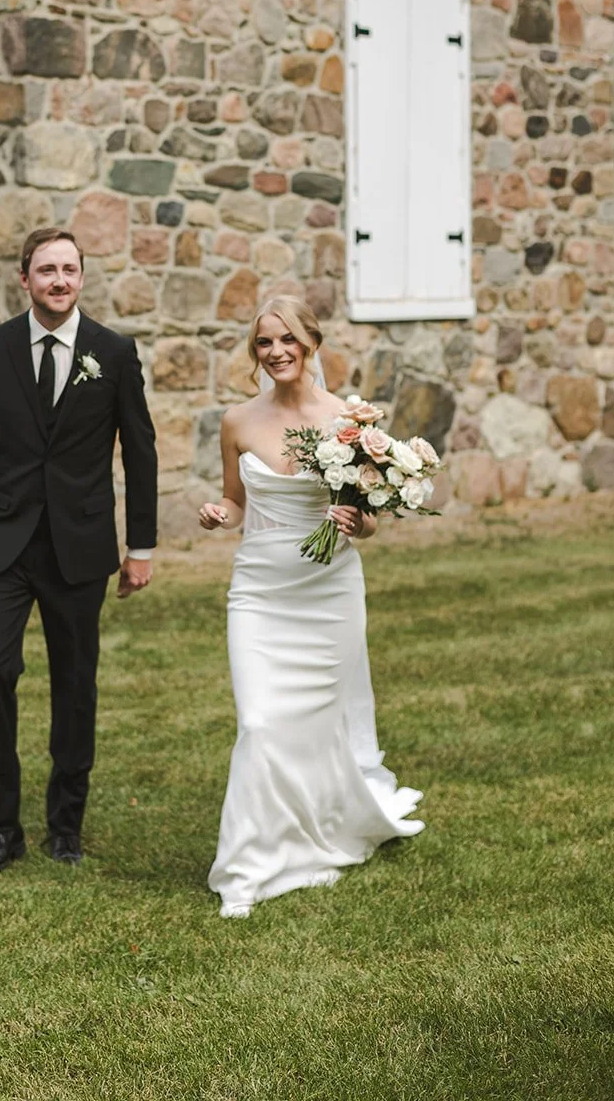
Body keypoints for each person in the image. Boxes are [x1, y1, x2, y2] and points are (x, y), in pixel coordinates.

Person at [199, 296, 423, 919]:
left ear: (312, 344)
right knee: (259, 723)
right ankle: (248, 866)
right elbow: (236, 501)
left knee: (318, 726)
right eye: (264, 342)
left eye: (287, 339)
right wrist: (221, 514)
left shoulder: (350, 420)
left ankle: (317, 832)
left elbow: (370, 520)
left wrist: (357, 522)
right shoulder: (237, 421)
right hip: (260, 591)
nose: (276, 352)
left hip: (328, 592)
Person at [0, 227, 158, 878]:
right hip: (0, 542)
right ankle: (3, 825)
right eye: (46, 270)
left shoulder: (113, 352)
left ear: (81, 278)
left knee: (74, 684)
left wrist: (140, 547)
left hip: (79, 547)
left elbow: (140, 453)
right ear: (24, 279)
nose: (59, 280)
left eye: (69, 269)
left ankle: (65, 825)